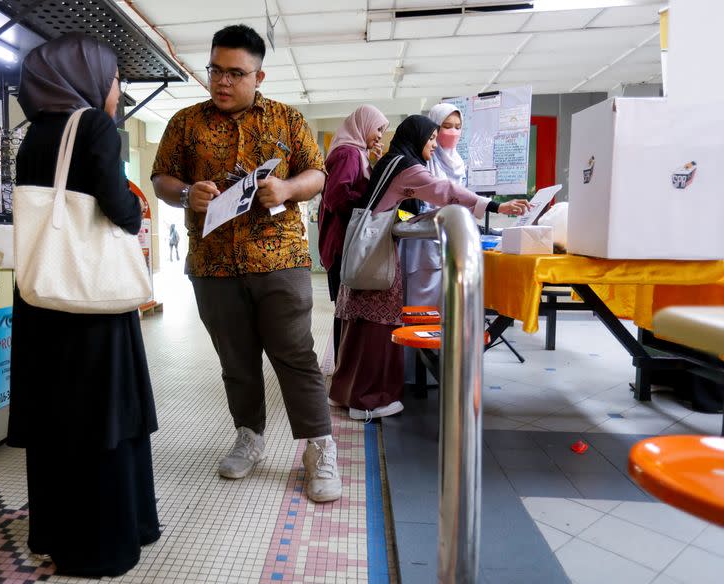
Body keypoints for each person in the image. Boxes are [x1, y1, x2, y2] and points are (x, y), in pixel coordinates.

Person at [151, 25, 341, 503]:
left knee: (295, 356)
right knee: (235, 360)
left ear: (259, 75)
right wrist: (183, 193)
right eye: (216, 69)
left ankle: (319, 448)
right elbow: (161, 178)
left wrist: (289, 188)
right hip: (213, 265)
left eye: (236, 73)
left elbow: (316, 173)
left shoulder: (287, 119)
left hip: (279, 258)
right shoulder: (185, 123)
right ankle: (250, 437)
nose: (222, 81)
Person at [8, 33, 159, 577]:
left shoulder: (33, 135)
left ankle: (55, 533)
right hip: (91, 305)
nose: (116, 88)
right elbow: (120, 208)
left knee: (56, 419)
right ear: (88, 78)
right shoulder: (93, 126)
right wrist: (134, 212)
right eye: (114, 77)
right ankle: (108, 540)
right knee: (102, 415)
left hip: (44, 297)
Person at [330, 115, 529, 421]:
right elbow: (445, 191)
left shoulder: (389, 161)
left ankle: (346, 395)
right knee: (379, 331)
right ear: (418, 137)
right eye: (433, 137)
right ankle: (369, 401)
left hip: (362, 253)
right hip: (378, 259)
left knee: (358, 329)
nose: (435, 145)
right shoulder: (407, 168)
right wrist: (494, 206)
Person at [318, 105, 389, 369]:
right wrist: (369, 205)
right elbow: (336, 196)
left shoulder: (356, 153)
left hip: (343, 242)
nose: (380, 136)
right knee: (344, 309)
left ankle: (343, 366)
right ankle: (343, 368)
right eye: (378, 129)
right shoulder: (348, 153)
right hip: (342, 244)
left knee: (345, 308)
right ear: (363, 125)